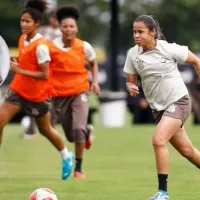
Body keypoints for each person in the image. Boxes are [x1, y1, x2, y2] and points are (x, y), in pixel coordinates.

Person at [123, 14, 200, 200]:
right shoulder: (133, 54)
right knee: (187, 151)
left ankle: (162, 193)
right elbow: (130, 80)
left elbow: (196, 61)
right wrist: (131, 87)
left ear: (153, 32)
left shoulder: (169, 49)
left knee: (158, 140)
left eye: (140, 31)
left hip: (179, 101)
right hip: (159, 109)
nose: (136, 35)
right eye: (134, 31)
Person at [2, 0, 74, 180]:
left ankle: (66, 155)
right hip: (18, 89)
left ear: (36, 23)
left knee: (45, 130)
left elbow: (44, 74)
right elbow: (25, 61)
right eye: (22, 20)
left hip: (37, 95)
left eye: (27, 21)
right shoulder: (22, 38)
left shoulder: (41, 46)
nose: (23, 24)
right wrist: (13, 62)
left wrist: (18, 70)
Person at [47, 6, 100, 179]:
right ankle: (87, 131)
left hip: (79, 92)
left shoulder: (84, 46)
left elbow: (93, 63)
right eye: (65, 26)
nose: (68, 29)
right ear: (60, 28)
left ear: (76, 28)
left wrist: (95, 82)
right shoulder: (51, 47)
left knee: (77, 130)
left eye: (72, 26)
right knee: (71, 136)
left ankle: (78, 169)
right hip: (58, 96)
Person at [23, 10, 62, 138]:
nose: (55, 20)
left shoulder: (64, 32)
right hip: (41, 68)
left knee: (53, 101)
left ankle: (51, 128)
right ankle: (31, 128)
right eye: (53, 18)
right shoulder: (43, 31)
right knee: (34, 98)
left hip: (56, 70)